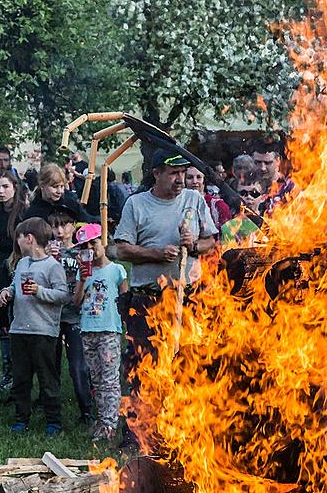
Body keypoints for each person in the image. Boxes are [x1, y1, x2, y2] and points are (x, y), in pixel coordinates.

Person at [113, 149, 218, 449]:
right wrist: (155, 254)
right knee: (140, 365)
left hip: (188, 297)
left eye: (183, 174)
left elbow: (211, 240)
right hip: (148, 299)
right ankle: (136, 435)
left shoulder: (194, 200)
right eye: (173, 173)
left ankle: (184, 431)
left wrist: (195, 244)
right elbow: (122, 249)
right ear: (156, 173)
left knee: (189, 363)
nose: (180, 180)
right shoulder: (137, 204)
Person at [0, 217, 70, 436]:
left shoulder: (52, 266)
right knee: (21, 378)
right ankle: (21, 418)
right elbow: (15, 284)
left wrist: (39, 291)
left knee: (47, 378)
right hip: (19, 329)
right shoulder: (22, 263)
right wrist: (7, 292)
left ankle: (53, 421)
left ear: (29, 239)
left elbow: (62, 294)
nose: (16, 242)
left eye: (18, 238)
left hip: (43, 331)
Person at [74, 223, 128, 441]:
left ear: (103, 243)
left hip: (109, 329)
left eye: (94, 243)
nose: (91, 249)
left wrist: (125, 323)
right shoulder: (84, 273)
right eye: (84, 247)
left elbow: (125, 299)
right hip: (88, 329)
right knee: (96, 378)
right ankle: (102, 419)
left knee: (109, 378)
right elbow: (76, 301)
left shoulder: (116, 270)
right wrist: (83, 278)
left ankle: (110, 423)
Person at [47, 208, 92, 424]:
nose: (58, 230)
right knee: (50, 364)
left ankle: (86, 409)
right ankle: (50, 408)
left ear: (72, 226)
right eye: (54, 225)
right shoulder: (47, 252)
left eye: (63, 225)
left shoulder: (80, 252)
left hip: (75, 315)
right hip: (52, 315)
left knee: (77, 365)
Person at [0, 171, 26, 391]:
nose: (1, 192)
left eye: (5, 187)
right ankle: (6, 371)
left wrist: (1, 240)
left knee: (12, 324)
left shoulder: (21, 213)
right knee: (1, 324)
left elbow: (21, 243)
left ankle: (15, 373)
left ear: (14, 187)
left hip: (13, 271)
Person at [23, 163, 91, 223]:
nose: (59, 191)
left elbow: (88, 220)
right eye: (55, 187)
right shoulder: (32, 214)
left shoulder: (71, 205)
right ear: (42, 185)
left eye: (62, 186)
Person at [220, 171, 266, 244]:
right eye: (243, 193)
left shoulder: (271, 224)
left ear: (263, 197)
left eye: (254, 193)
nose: (248, 197)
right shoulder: (228, 227)